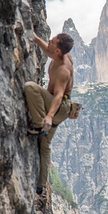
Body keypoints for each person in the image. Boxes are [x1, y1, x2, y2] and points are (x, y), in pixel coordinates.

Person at [24, 32, 74, 195]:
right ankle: (40, 186)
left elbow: (58, 96)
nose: (49, 42)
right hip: (58, 105)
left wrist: (49, 116)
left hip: (59, 107)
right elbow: (48, 49)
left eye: (52, 42)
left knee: (30, 87)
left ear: (58, 51)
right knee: (44, 146)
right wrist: (35, 37)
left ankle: (40, 126)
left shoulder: (63, 70)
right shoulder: (59, 53)